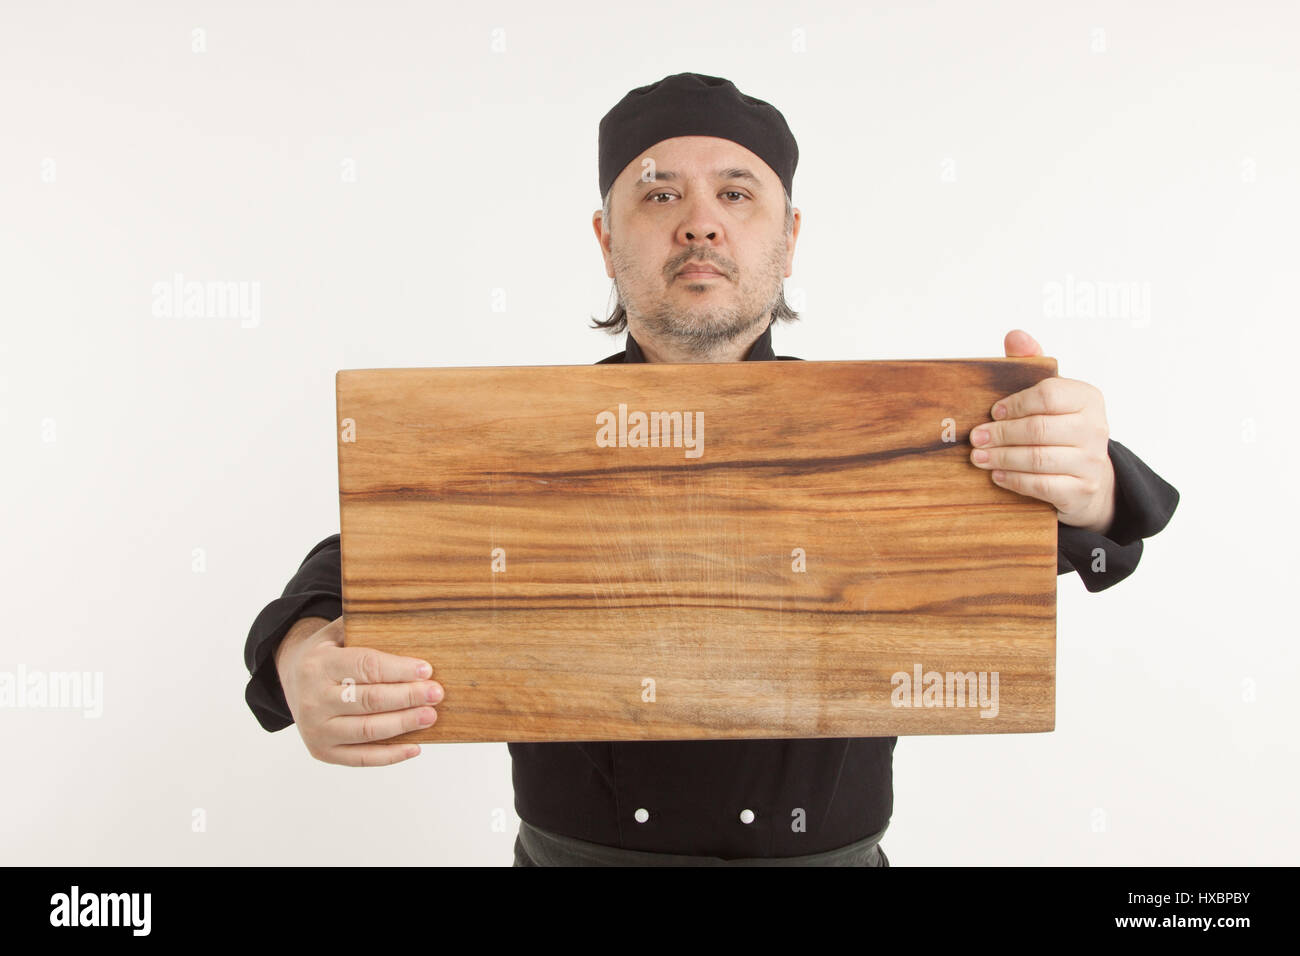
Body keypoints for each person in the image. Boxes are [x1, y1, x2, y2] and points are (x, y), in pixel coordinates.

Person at [243, 72, 1180, 866]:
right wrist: (300, 658)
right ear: (607, 240)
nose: (699, 225)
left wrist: (1088, 481)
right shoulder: (522, 441)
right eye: (659, 195)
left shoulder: (889, 433)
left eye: (737, 194)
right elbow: (365, 553)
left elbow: (1081, 535)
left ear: (789, 235)